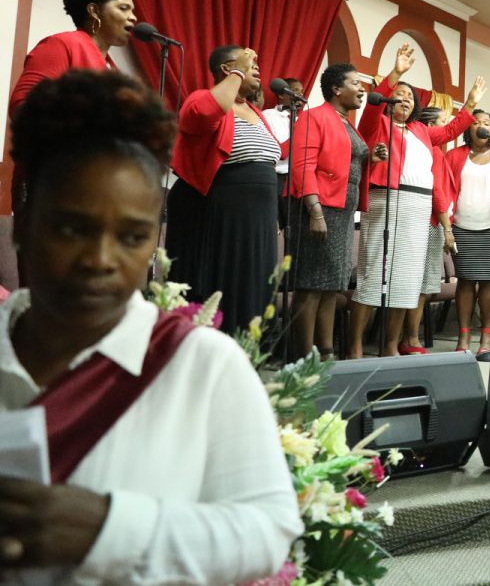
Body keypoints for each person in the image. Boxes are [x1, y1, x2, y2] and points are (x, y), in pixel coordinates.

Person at [0, 69, 300, 582]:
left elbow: (268, 532)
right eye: (72, 228)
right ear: (23, 225)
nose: (100, 259)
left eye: (132, 237)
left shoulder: (202, 364)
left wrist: (109, 528)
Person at [350, 45, 480, 358]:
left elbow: (450, 130)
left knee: (406, 280)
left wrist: (471, 103)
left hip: (418, 208)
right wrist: (396, 73)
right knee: (373, 275)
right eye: (400, 93)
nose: (406, 99)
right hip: (386, 200)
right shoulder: (377, 124)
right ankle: (355, 347)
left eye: (410, 96)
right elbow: (371, 108)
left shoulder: (421, 130)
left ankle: (390, 346)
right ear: (389, 99)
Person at [164, 45, 280, 334]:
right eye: (249, 64)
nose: (257, 69)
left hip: (259, 218)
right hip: (222, 213)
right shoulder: (202, 98)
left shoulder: (254, 111)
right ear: (227, 69)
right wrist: (239, 72)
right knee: (226, 282)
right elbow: (203, 114)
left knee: (254, 283)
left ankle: (248, 345)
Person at [288, 62, 376, 360]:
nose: (361, 89)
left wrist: (372, 158)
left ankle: (325, 352)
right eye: (355, 83)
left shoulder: (346, 122)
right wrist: (315, 211)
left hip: (342, 212)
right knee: (311, 285)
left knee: (330, 287)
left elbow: (344, 160)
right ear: (336, 89)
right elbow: (302, 166)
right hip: (319, 209)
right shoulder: (314, 117)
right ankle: (303, 356)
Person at [7, 0, 136, 120]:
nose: (133, 17)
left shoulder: (112, 70)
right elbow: (23, 107)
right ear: (94, 11)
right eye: (123, 8)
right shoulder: (62, 45)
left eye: (132, 11)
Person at [444, 109, 490, 354]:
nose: (482, 125)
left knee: (489, 281)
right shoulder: (454, 155)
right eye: (476, 122)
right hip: (462, 227)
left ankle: (486, 337)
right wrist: (446, 227)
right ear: (469, 128)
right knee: (465, 281)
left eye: (487, 122)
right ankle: (463, 336)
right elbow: (445, 189)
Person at [400, 106, 456, 356]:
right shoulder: (430, 151)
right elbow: (437, 191)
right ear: (430, 126)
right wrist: (447, 227)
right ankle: (410, 338)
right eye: (443, 121)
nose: (447, 127)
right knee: (421, 284)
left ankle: (409, 336)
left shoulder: (436, 151)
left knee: (424, 284)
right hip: (431, 221)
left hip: (435, 220)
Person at [261, 75, 305, 228]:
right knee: (274, 226)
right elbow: (281, 152)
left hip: (298, 178)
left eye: (302, 91)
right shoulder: (268, 115)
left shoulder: (302, 119)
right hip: (278, 178)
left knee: (295, 226)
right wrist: (298, 132)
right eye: (295, 91)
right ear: (281, 94)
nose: (300, 95)